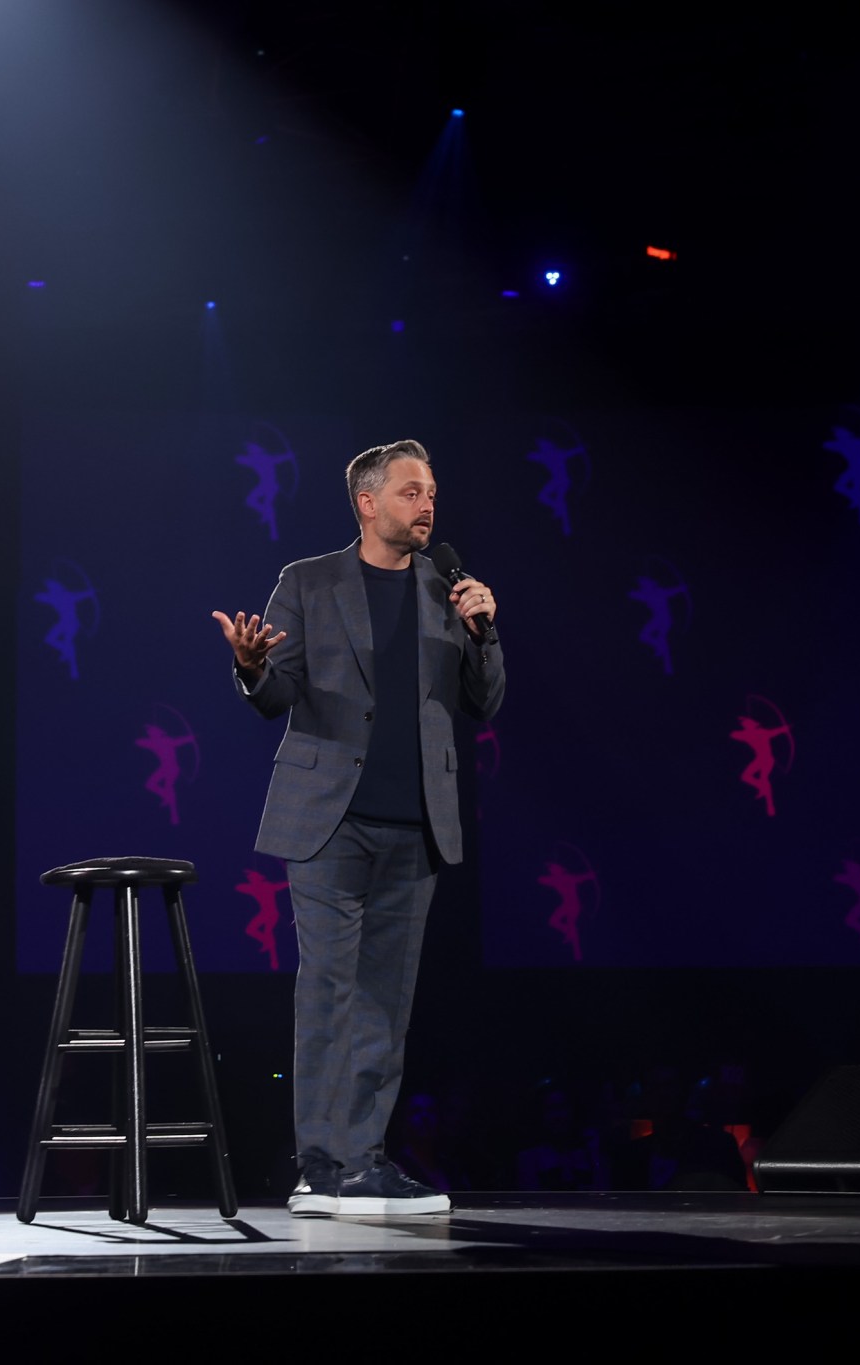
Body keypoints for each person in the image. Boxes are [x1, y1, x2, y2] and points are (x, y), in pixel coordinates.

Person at [214, 439, 506, 1217]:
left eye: (432, 492)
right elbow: (279, 695)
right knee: (330, 990)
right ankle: (320, 1166)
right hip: (330, 822)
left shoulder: (448, 589)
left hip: (417, 824)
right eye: (411, 492)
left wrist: (484, 631)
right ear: (368, 503)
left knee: (385, 999)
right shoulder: (307, 582)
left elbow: (485, 702)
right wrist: (250, 667)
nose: (428, 505)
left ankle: (363, 1161)